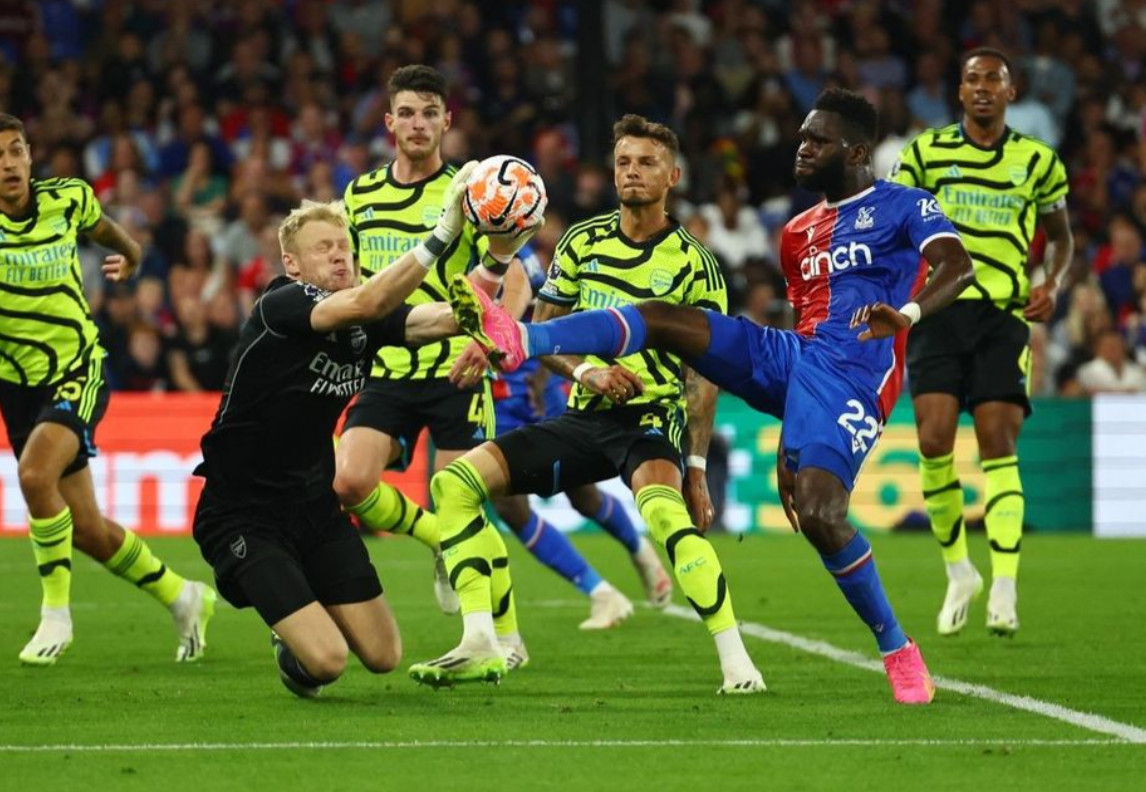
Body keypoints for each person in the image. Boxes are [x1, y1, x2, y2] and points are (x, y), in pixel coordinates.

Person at [453, 89, 977, 705]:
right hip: (794, 355)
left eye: (817, 141)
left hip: (854, 377)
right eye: (802, 137)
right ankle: (522, 337)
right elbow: (804, 324)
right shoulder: (797, 232)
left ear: (858, 152)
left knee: (819, 514)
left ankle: (896, 648)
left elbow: (957, 266)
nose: (801, 148)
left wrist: (907, 314)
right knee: (663, 317)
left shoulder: (905, 205)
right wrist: (782, 427)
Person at [409, 114, 765, 695]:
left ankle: (738, 664)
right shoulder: (582, 241)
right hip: (582, 416)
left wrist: (696, 468)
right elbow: (543, 334)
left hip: (651, 420)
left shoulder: (695, 263)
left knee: (668, 518)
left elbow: (702, 376)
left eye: (647, 162)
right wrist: (587, 371)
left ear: (673, 176)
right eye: (623, 161)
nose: (632, 172)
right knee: (454, 485)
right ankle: (484, 641)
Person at [191, 164, 531, 697]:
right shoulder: (281, 305)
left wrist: (499, 259)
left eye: (345, 247)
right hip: (243, 512)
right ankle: (285, 626)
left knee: (383, 655)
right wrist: (444, 232)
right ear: (292, 263)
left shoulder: (364, 320)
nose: (339, 256)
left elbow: (447, 317)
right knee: (327, 663)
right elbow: (370, 301)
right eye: (324, 248)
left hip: (314, 509)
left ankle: (297, 604)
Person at [0, 113, 215, 665]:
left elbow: (111, 232)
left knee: (33, 475)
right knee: (88, 529)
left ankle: (55, 614)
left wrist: (132, 256)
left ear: (29, 155)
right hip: (16, 388)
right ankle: (182, 595)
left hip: (78, 368)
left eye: (16, 150)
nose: (8, 163)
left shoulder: (67, 198)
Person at [332, 65, 528, 615]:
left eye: (430, 113)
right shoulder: (360, 194)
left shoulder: (471, 190)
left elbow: (517, 279)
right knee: (347, 483)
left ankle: (505, 635)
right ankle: (435, 537)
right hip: (385, 369)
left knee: (462, 502)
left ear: (447, 121)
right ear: (389, 122)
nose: (418, 124)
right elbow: (348, 281)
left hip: (456, 370)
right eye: (408, 113)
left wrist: (490, 342)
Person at [891, 48, 1073, 638]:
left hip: (1002, 314)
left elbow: (1061, 236)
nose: (983, 87)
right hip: (939, 312)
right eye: (972, 79)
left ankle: (1006, 585)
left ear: (1011, 91)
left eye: (994, 78)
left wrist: (1053, 281)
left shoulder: (1038, 160)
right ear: (960, 92)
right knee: (933, 438)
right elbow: (894, 223)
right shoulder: (924, 153)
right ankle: (959, 571)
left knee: (998, 439)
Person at [484, 243, 673, 631]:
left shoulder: (517, 251)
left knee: (582, 493)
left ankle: (639, 551)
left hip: (534, 392)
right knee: (509, 507)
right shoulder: (459, 250)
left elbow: (552, 318)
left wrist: (542, 378)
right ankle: (601, 592)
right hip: (493, 398)